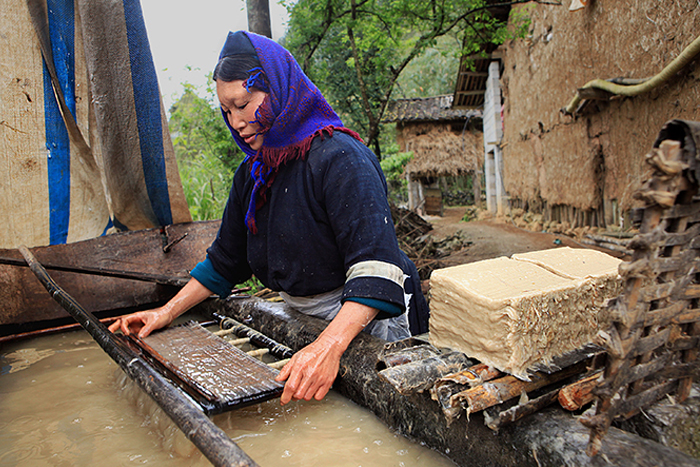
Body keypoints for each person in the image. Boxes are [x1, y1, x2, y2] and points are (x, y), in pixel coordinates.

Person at [109, 30, 429, 405]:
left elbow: (376, 267)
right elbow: (224, 262)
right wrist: (163, 314)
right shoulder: (254, 174)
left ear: (278, 89)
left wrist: (328, 347)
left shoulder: (341, 158)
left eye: (243, 104)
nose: (237, 121)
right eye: (226, 111)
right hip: (305, 315)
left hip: (367, 317)